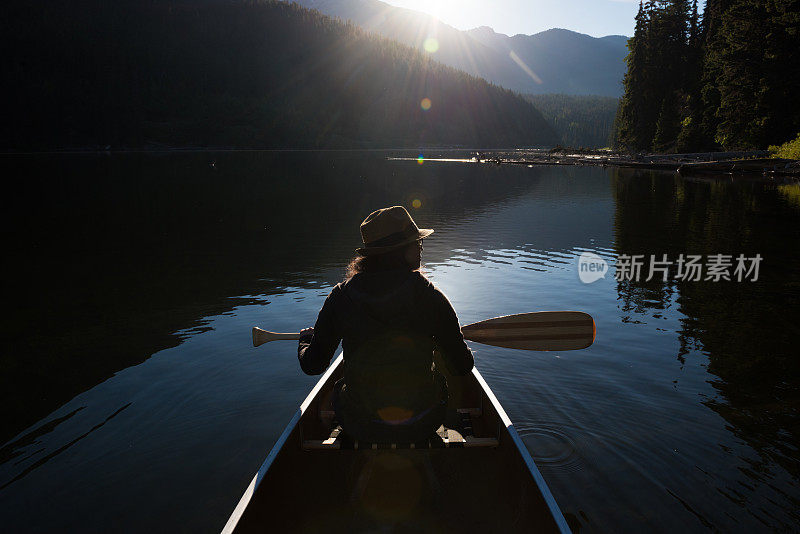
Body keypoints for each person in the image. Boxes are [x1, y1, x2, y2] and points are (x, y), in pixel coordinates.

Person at [298, 206, 474, 443]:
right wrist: (445, 344)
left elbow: (313, 365)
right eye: (416, 243)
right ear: (399, 251)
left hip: (360, 423)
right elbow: (463, 366)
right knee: (442, 372)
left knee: (341, 388)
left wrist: (306, 342)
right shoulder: (431, 297)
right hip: (422, 421)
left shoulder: (341, 297)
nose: (421, 248)